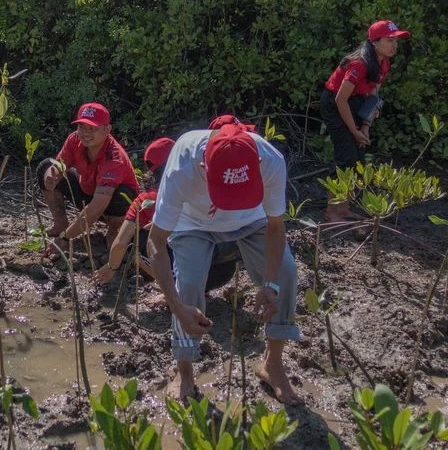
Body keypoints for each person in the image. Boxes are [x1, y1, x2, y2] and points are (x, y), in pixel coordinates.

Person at [148, 119, 302, 405]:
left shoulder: (270, 159)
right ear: (204, 168)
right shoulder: (183, 162)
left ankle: (273, 364)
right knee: (190, 284)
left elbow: (276, 226)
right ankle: (183, 370)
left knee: (286, 272)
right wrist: (176, 305)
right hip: (193, 222)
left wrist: (269, 282)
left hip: (252, 219)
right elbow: (155, 241)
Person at [92, 135, 240, 293]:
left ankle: (173, 291)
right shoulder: (206, 185)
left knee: (135, 242)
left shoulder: (147, 200)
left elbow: (120, 243)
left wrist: (111, 268)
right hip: (225, 272)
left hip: (190, 275)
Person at [320, 20, 410, 221]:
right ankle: (331, 212)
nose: (394, 45)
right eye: (389, 40)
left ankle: (344, 209)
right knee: (345, 158)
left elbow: (373, 94)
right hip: (336, 104)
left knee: (357, 158)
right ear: (374, 42)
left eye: (396, 41)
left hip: (356, 102)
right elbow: (339, 99)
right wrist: (354, 131)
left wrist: (366, 127)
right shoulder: (359, 64)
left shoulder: (383, 62)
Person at [36, 102, 140, 251]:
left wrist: (65, 237)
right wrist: (51, 176)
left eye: (92, 128)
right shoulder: (74, 139)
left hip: (112, 203)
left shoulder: (114, 158)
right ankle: (60, 223)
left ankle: (114, 229)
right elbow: (59, 165)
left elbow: (97, 208)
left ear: (107, 130)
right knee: (45, 166)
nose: (86, 133)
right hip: (88, 191)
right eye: (82, 127)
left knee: (122, 195)